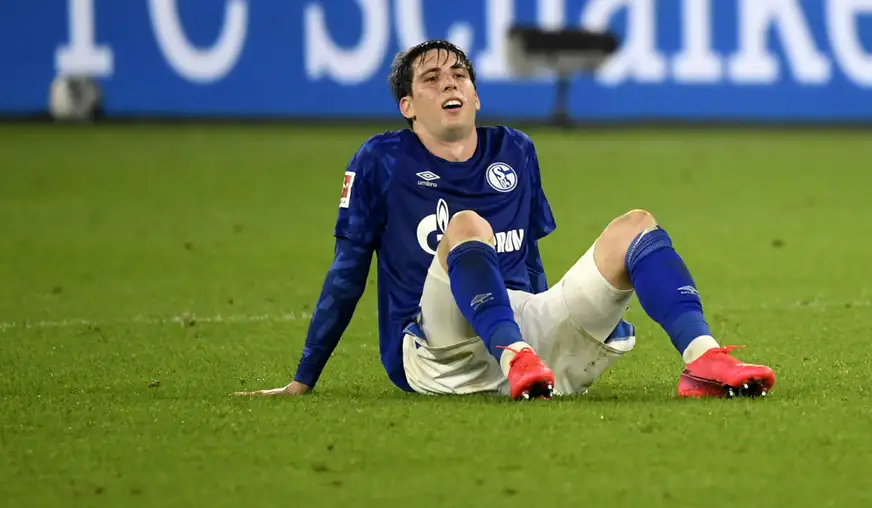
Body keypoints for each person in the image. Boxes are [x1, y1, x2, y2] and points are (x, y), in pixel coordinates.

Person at [235, 40, 776, 400]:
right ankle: (516, 356)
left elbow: (529, 259)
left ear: (475, 93)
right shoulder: (381, 160)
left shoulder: (515, 150)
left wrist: (555, 328)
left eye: (459, 75)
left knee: (636, 225)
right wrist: (303, 378)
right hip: (434, 353)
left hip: (522, 338)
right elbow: (347, 273)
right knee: (469, 226)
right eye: (431, 79)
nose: (450, 84)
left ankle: (703, 361)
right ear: (407, 106)